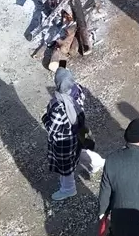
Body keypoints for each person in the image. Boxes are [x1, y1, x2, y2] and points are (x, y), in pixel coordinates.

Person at [41, 67, 86, 201]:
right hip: (78, 132)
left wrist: (45, 118)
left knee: (66, 167)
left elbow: (52, 129)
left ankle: (68, 189)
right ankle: (95, 163)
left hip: (64, 141)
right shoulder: (78, 89)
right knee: (78, 153)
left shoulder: (58, 107)